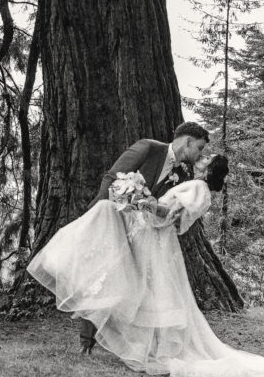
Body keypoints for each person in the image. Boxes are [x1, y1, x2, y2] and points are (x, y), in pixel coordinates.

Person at [27, 151, 264, 377]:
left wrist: (141, 200)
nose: (197, 157)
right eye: (200, 151)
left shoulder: (198, 189)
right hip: (149, 239)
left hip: (156, 243)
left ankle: (153, 350)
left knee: (154, 294)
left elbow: (169, 216)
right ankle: (138, 345)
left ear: (206, 167)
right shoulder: (191, 184)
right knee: (146, 293)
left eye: (202, 155)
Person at [73, 122, 209, 354]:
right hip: (112, 219)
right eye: (199, 147)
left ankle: (132, 342)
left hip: (139, 231)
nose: (199, 154)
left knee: (133, 282)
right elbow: (111, 179)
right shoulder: (148, 148)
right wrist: (113, 211)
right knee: (100, 278)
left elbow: (161, 205)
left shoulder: (181, 173)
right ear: (187, 142)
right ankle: (86, 342)